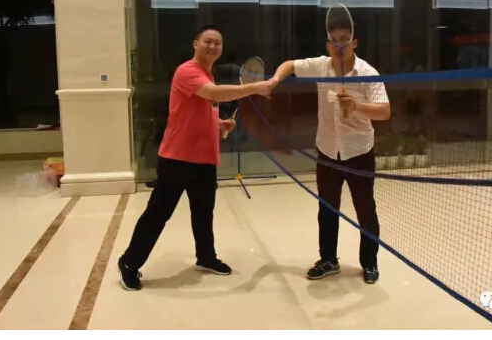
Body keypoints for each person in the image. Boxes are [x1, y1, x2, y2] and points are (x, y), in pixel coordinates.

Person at [118, 25, 274, 291]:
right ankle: (129, 263)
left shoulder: (206, 74)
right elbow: (212, 94)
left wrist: (220, 124)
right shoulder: (187, 71)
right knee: (158, 214)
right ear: (195, 44)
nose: (212, 47)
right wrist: (256, 87)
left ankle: (206, 257)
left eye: (217, 43)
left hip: (204, 160)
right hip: (177, 158)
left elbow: (201, 108)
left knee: (203, 213)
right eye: (207, 41)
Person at [269, 21, 390, 284]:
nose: (339, 45)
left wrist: (356, 105)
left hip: (359, 151)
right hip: (327, 151)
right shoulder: (320, 66)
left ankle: (370, 263)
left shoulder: (368, 73)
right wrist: (277, 79)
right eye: (334, 40)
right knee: (327, 209)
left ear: (354, 43)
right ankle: (328, 260)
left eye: (344, 39)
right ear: (328, 45)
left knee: (365, 209)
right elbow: (289, 65)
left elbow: (384, 111)